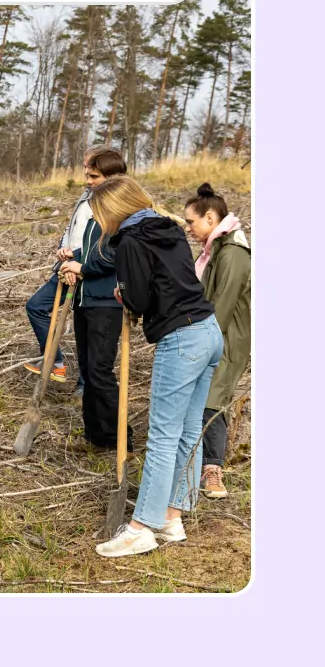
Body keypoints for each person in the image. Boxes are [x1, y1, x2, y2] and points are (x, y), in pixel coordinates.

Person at [92, 176, 223, 557]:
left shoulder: (130, 241)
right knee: (188, 431)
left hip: (181, 338)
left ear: (114, 210)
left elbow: (139, 296)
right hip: (209, 332)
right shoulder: (169, 230)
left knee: (163, 436)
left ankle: (140, 528)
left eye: (101, 214)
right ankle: (171, 516)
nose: (101, 223)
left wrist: (124, 294)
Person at [183, 183, 251, 500]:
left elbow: (222, 304)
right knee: (205, 395)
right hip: (212, 334)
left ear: (210, 218)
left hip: (225, 339)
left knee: (213, 398)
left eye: (191, 222)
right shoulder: (217, 249)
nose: (188, 228)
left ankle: (213, 470)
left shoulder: (234, 253)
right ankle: (198, 463)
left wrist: (201, 339)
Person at [57, 149, 129, 449]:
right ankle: (93, 436)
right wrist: (71, 264)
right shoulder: (92, 207)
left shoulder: (120, 212)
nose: (88, 181)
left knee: (100, 371)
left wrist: (83, 267)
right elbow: (87, 249)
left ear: (113, 178)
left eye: (94, 176)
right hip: (85, 300)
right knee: (87, 370)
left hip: (107, 302)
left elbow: (113, 255)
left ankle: (120, 440)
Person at [25, 145, 108, 391]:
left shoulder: (108, 201)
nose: (86, 174)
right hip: (67, 265)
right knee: (36, 306)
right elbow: (71, 229)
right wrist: (64, 251)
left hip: (89, 268)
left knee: (87, 328)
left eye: (91, 169)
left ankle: (84, 386)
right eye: (85, 168)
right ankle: (56, 361)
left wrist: (78, 260)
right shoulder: (86, 196)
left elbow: (102, 241)